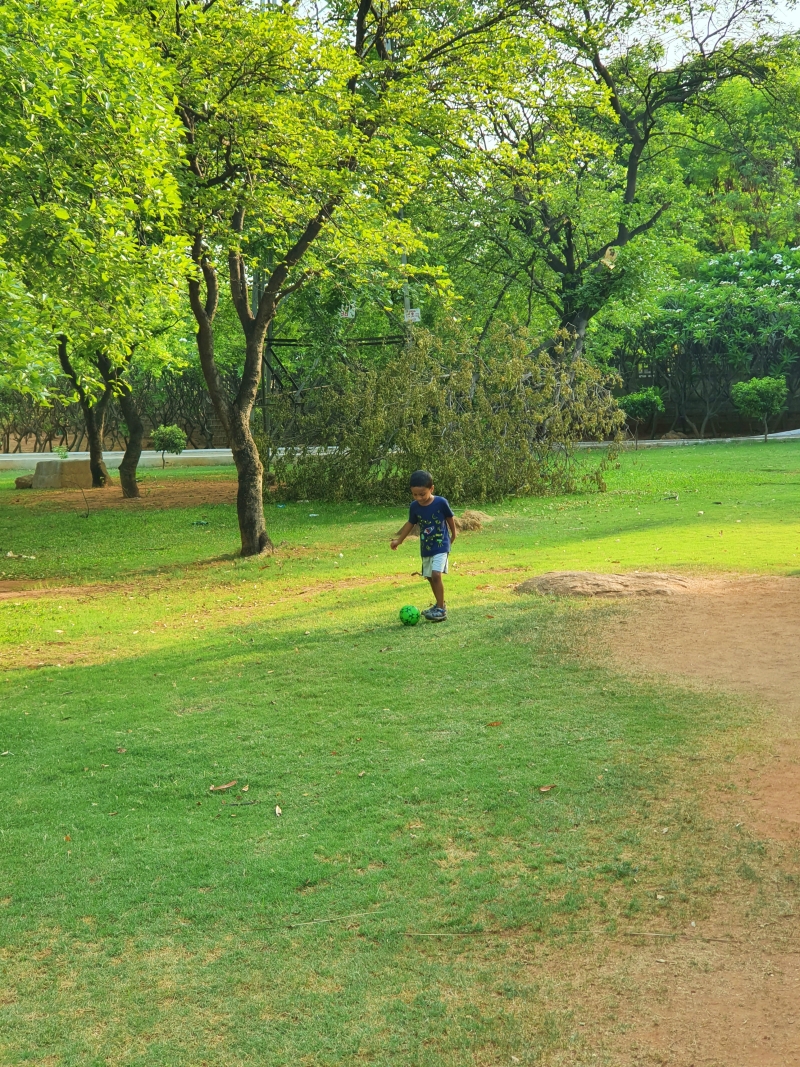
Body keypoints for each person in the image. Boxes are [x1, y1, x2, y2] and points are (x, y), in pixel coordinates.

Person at [390, 470, 456, 621]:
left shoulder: (441, 502)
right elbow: (410, 523)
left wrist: (454, 534)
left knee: (436, 574)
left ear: (431, 489)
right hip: (426, 548)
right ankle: (440, 605)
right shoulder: (415, 506)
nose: (419, 498)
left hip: (441, 544)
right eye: (415, 495)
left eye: (422, 494)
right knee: (429, 577)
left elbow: (450, 518)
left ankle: (441, 610)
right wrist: (399, 541)